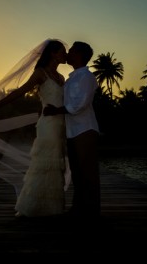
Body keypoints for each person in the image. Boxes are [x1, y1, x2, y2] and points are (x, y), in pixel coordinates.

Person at [0, 39, 70, 218]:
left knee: (55, 164)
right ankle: (33, 205)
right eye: (61, 51)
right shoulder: (40, 73)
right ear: (52, 53)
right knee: (44, 163)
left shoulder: (61, 78)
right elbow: (19, 92)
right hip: (48, 125)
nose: (65, 54)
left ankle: (52, 206)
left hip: (61, 123)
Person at [43, 41, 101, 220]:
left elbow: (79, 105)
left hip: (84, 130)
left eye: (72, 51)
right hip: (73, 131)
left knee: (88, 173)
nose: (68, 53)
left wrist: (56, 111)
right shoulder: (72, 78)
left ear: (80, 55)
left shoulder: (86, 77)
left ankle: (91, 213)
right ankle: (78, 209)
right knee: (77, 173)